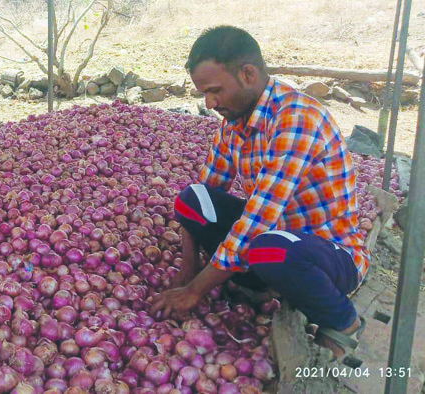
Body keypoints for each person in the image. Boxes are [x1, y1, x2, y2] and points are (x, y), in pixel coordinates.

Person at [149, 26, 368, 364]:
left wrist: (194, 292)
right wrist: (188, 269)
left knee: (266, 246)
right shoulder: (234, 123)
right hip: (272, 244)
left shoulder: (297, 118)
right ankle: (262, 283)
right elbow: (206, 192)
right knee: (191, 199)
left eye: (214, 91)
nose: (209, 103)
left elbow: (256, 222)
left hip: (327, 254)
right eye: (204, 94)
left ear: (248, 74)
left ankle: (343, 320)